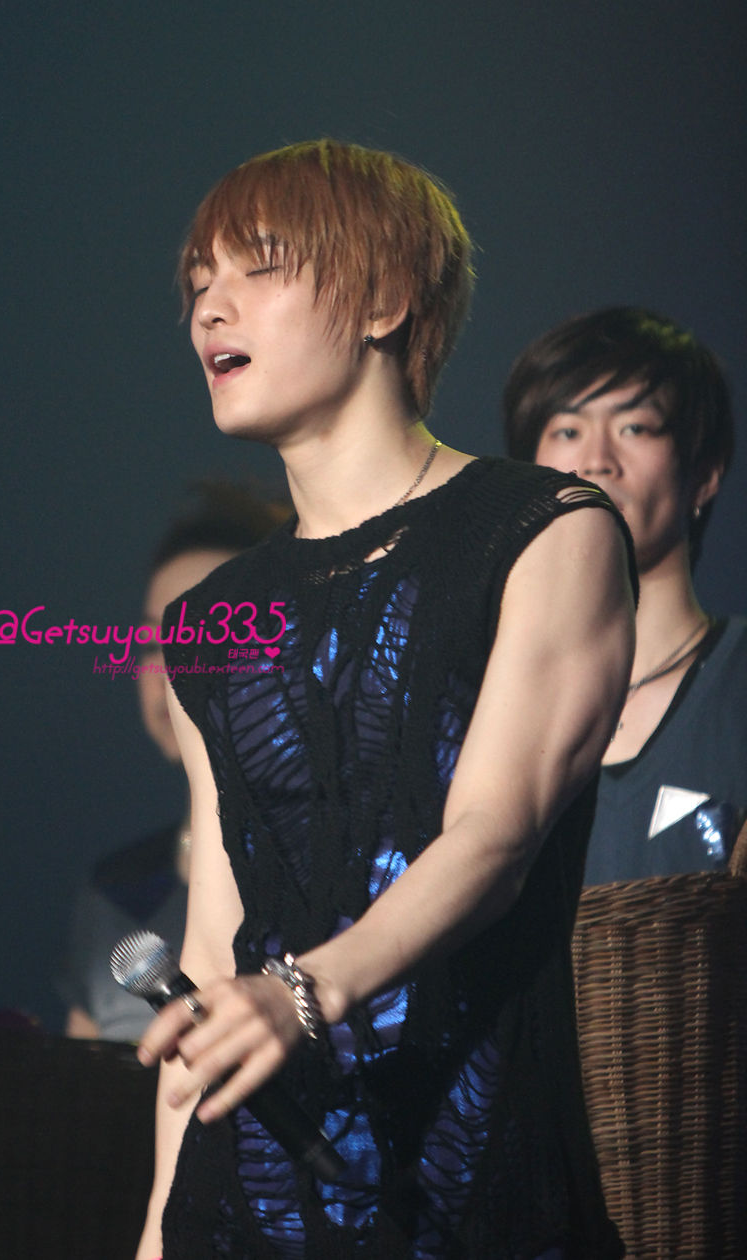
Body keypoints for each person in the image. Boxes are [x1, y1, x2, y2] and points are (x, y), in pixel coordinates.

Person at [135, 139, 635, 1260]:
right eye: (198, 282)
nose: (210, 306)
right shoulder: (212, 616)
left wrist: (302, 993)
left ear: (384, 299)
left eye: (258, 266)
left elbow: (494, 836)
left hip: (471, 1182)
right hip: (249, 1202)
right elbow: (212, 943)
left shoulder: (544, 531)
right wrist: (158, 1232)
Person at [504, 306, 747, 885]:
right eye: (567, 431)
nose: (596, 460)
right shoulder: (489, 700)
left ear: (705, 473)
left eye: (634, 428)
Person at [61, 481, 285, 1040]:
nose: (170, 666)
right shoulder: (115, 890)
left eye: (205, 637)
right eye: (152, 641)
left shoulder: (343, 877)